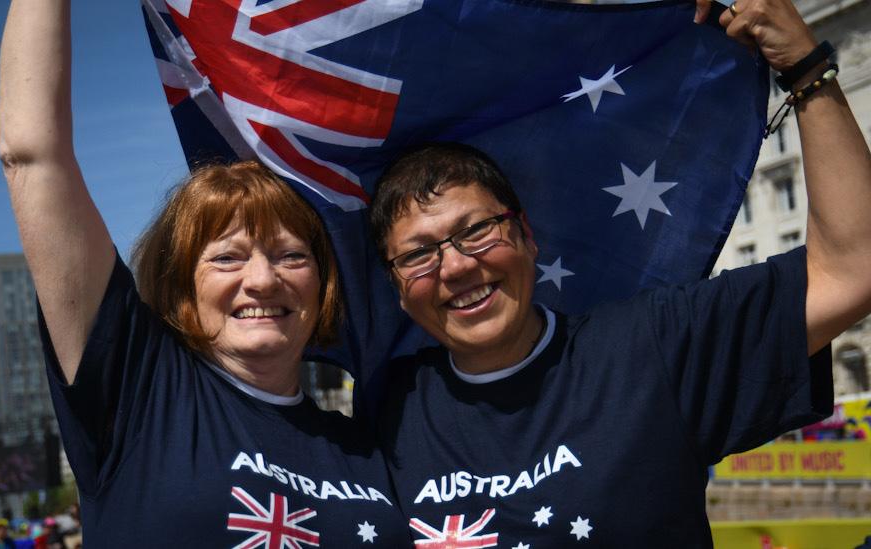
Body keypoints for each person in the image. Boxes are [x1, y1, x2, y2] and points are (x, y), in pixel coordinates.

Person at [368, 0, 871, 545]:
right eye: (418, 254)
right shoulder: (387, 413)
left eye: (477, 230)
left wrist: (806, 68)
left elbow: (853, 270)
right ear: (395, 288)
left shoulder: (653, 346)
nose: (457, 266)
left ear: (528, 238)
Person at [0, 0, 411, 546]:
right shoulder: (137, 391)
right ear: (181, 282)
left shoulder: (370, 442)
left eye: (291, 256)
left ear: (324, 285)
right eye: (227, 257)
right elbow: (32, 153)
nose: (263, 279)